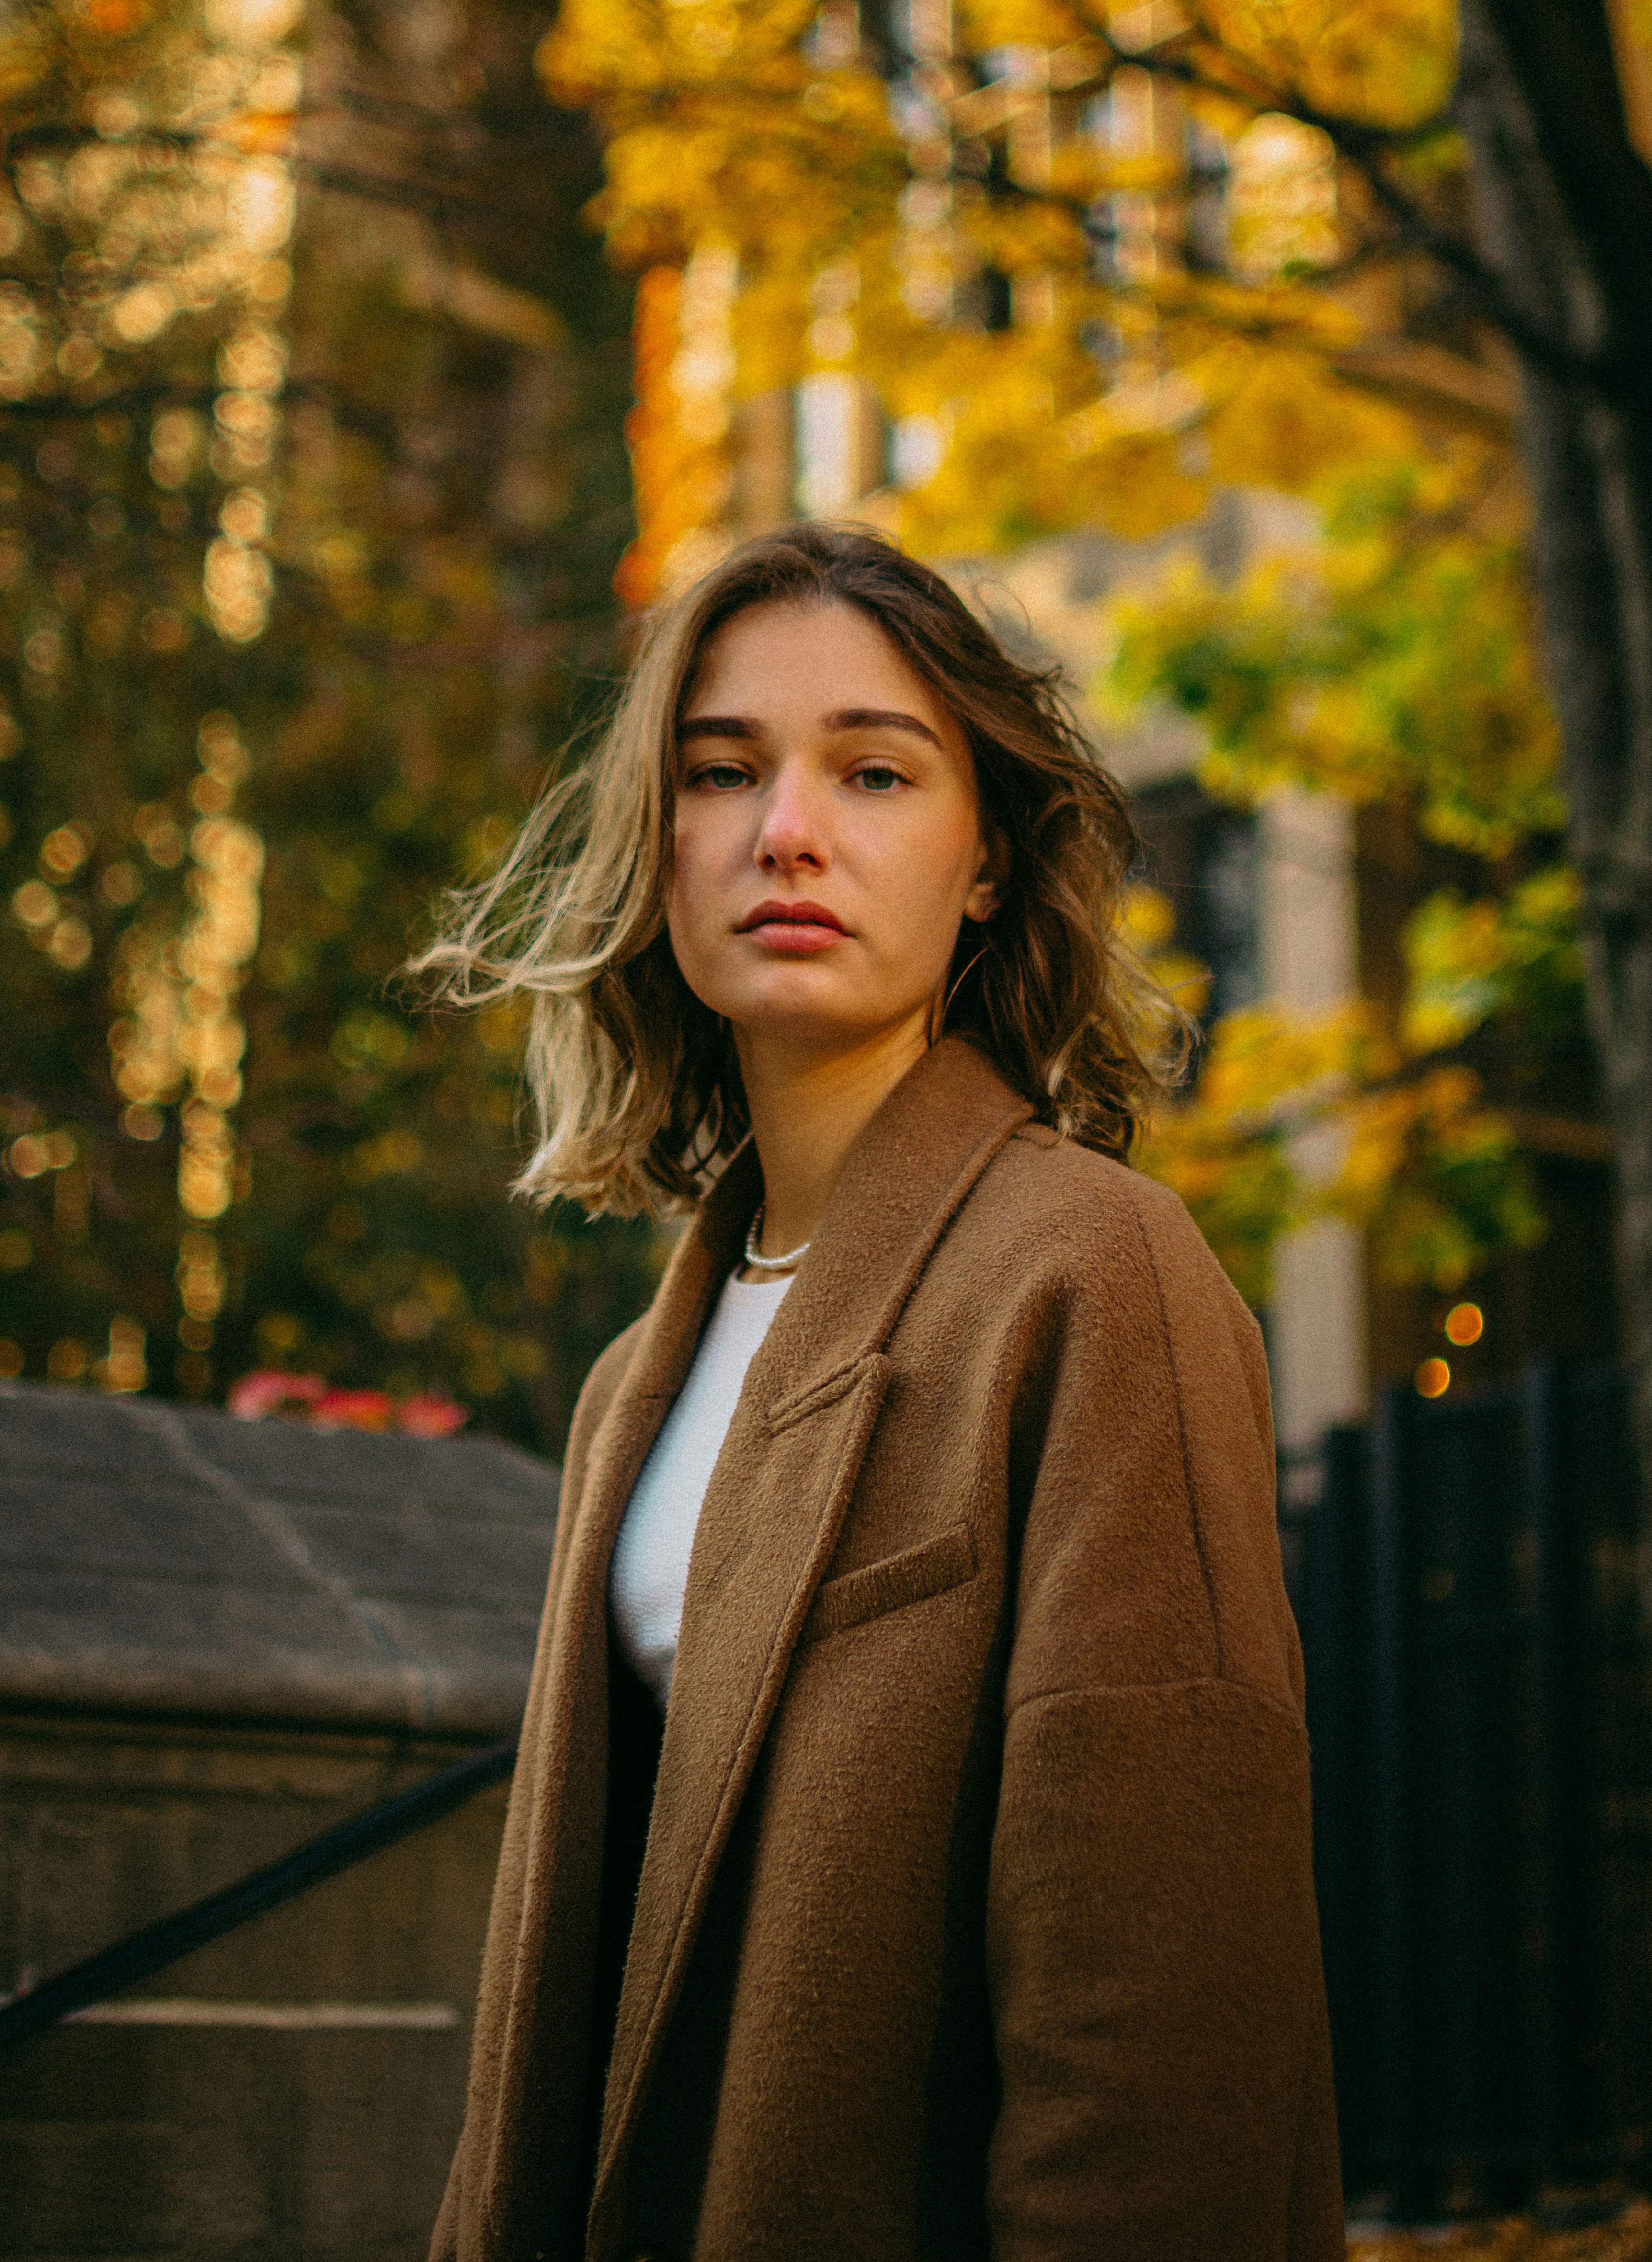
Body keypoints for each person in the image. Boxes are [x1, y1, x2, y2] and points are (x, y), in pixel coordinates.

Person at [420, 524, 1343, 2262]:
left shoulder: (1092, 1275)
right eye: (722, 771)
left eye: (873, 769)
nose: (789, 829)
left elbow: (1153, 2039)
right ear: (662, 844)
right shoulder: (639, 1376)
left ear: (985, 862)